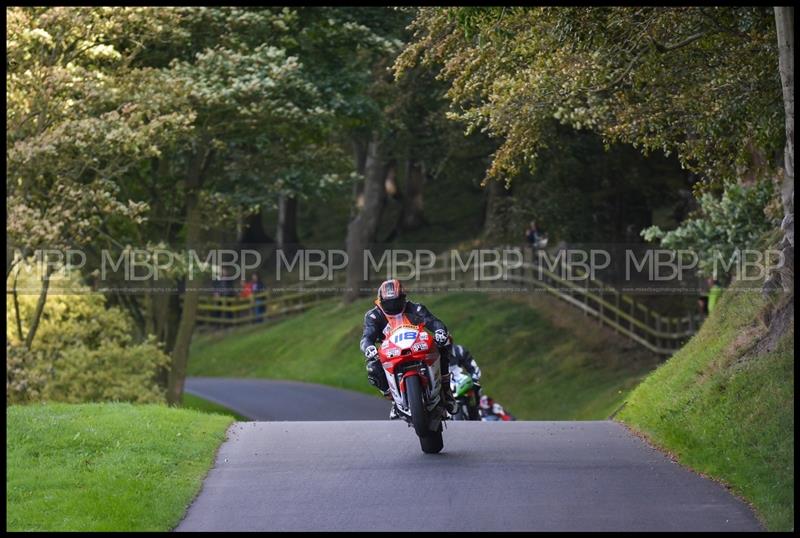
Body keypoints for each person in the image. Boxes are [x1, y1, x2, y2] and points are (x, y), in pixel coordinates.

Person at [360, 278, 458, 418]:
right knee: (372, 367)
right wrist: (368, 347)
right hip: (391, 350)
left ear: (403, 298)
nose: (393, 305)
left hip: (417, 344)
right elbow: (367, 335)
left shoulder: (415, 308)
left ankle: (446, 390)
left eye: (396, 301)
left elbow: (433, 321)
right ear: (381, 301)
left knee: (444, 343)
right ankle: (394, 399)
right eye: (389, 302)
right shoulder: (374, 316)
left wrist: (440, 331)